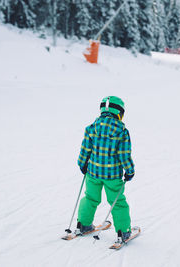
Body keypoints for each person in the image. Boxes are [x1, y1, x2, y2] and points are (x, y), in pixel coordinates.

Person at [76, 96, 135, 242]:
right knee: (117, 202)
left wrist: (82, 163)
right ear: (119, 112)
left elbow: (85, 148)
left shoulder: (92, 127)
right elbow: (124, 155)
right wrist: (129, 170)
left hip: (93, 173)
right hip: (112, 176)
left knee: (90, 197)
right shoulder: (121, 131)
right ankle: (123, 231)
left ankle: (82, 224)